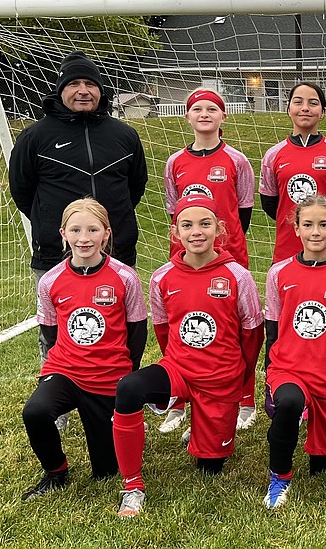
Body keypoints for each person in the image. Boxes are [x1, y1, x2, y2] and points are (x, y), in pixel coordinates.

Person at [110, 194, 263, 517]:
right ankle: (132, 485)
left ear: (219, 229)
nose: (197, 231)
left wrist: (238, 375)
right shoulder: (162, 277)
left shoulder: (238, 276)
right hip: (178, 369)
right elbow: (164, 331)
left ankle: (205, 427)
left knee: (210, 467)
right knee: (128, 388)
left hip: (221, 378)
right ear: (175, 233)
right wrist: (177, 365)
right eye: (187, 225)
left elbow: (252, 334)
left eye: (205, 224)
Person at [9, 51, 148, 364]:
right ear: (60, 89)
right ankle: (56, 391)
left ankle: (118, 391)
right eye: (74, 84)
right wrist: (52, 224)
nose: (83, 90)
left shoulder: (124, 135)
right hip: (55, 253)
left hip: (117, 250)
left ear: (101, 91)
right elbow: (22, 191)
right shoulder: (35, 136)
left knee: (119, 325)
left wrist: (108, 226)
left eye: (90, 84)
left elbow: (135, 186)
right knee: (57, 326)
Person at [19, 198, 147, 501]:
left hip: (108, 378)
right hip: (66, 372)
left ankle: (105, 439)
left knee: (106, 471)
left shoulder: (125, 277)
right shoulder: (50, 280)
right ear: (63, 233)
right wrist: (61, 364)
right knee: (35, 412)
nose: (84, 238)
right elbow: (49, 331)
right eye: (76, 230)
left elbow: (137, 333)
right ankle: (56, 472)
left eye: (92, 230)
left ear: (106, 233)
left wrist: (126, 380)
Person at [261, 195, 326, 509]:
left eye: (324, 224)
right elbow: (272, 328)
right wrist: (269, 378)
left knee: (323, 466)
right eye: (308, 224)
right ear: (296, 228)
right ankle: (279, 478)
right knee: (289, 403)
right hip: (290, 369)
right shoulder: (278, 273)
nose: (316, 231)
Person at [162, 88, 258, 433]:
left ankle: (244, 398)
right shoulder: (175, 162)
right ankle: (180, 402)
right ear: (187, 117)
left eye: (212, 109)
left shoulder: (237, 160)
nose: (204, 114)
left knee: (234, 329)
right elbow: (176, 212)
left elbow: (242, 210)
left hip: (227, 256)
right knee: (185, 327)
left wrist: (222, 243)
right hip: (187, 258)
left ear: (223, 117)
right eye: (197, 109)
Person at [260, 81, 326, 263]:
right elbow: (270, 203)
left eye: (313, 103)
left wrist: (324, 220)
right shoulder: (273, 155)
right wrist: (298, 221)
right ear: (288, 109)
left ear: (323, 112)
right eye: (298, 102)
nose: (305, 108)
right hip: (288, 248)